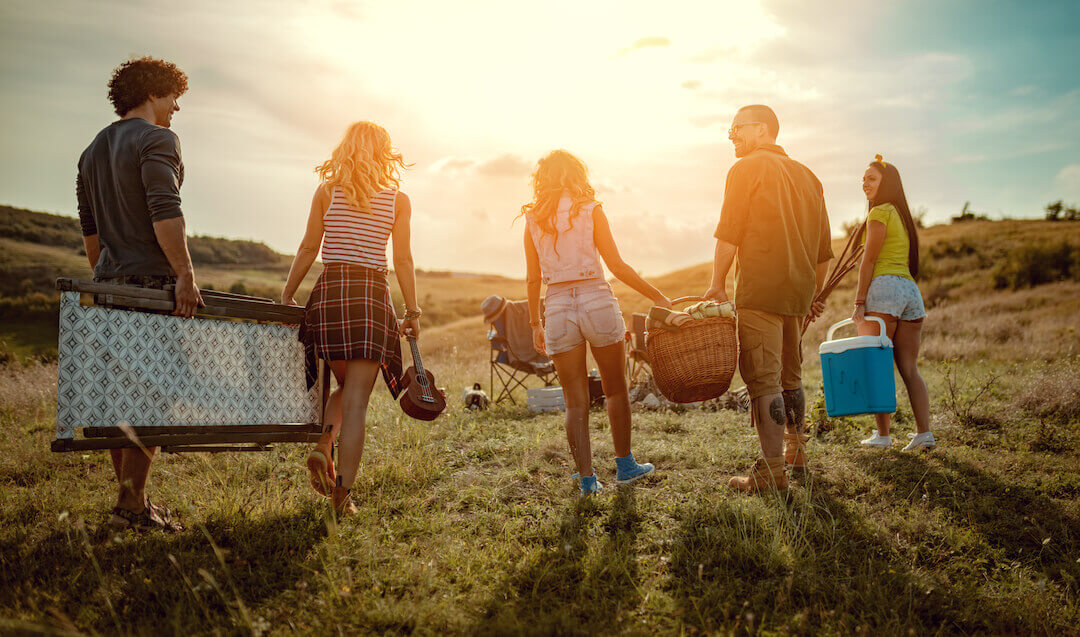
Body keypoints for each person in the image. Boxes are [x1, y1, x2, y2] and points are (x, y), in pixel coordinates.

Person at [76, 56, 203, 531]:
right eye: (174, 97)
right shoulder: (158, 139)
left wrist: (108, 277)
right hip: (151, 284)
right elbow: (164, 210)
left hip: (108, 284)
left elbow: (91, 234)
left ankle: (131, 503)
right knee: (150, 395)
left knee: (117, 398)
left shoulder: (91, 151)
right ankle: (132, 505)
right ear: (153, 93)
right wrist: (184, 275)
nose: (176, 108)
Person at [282, 121, 419, 515]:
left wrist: (288, 292)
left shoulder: (327, 191)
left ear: (346, 148)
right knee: (357, 399)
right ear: (384, 152)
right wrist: (412, 311)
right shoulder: (398, 200)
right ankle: (342, 497)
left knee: (344, 385)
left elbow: (310, 247)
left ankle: (324, 444)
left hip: (330, 296)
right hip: (371, 298)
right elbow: (404, 261)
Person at [521, 150, 671, 497]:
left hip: (557, 305)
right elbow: (617, 266)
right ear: (577, 175)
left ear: (542, 179)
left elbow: (532, 279)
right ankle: (626, 466)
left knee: (575, 402)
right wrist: (657, 297)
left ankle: (587, 481)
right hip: (596, 298)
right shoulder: (591, 210)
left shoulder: (532, 219)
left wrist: (534, 323)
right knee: (616, 389)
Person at [705, 105, 833, 493]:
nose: (731, 136)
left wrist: (716, 283)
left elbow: (730, 233)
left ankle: (772, 473)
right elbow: (824, 253)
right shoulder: (809, 177)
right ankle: (795, 454)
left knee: (764, 381)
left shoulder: (744, 170)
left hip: (759, 289)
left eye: (736, 129)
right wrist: (814, 295)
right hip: (797, 293)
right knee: (791, 377)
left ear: (762, 129)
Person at [853, 156, 934, 451]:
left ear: (886, 184)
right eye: (863, 179)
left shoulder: (880, 213)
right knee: (910, 368)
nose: (865, 183)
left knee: (878, 365)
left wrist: (859, 302)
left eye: (871, 179)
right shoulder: (902, 215)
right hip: (910, 292)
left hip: (884, 290)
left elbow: (869, 261)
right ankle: (924, 434)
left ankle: (884, 437)